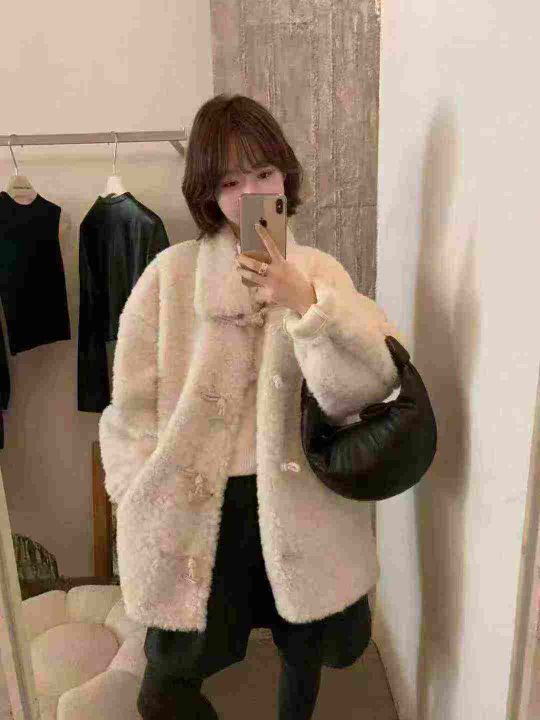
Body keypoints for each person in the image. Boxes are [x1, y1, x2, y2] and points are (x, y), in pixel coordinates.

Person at [98, 93, 401, 720]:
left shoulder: (320, 271)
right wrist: (132, 487)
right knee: (168, 681)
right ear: (208, 195)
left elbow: (359, 390)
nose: (250, 194)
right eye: (230, 182)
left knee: (303, 652)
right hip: (200, 504)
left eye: (263, 173)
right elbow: (129, 405)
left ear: (285, 176)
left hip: (299, 499)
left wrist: (305, 302)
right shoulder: (170, 275)